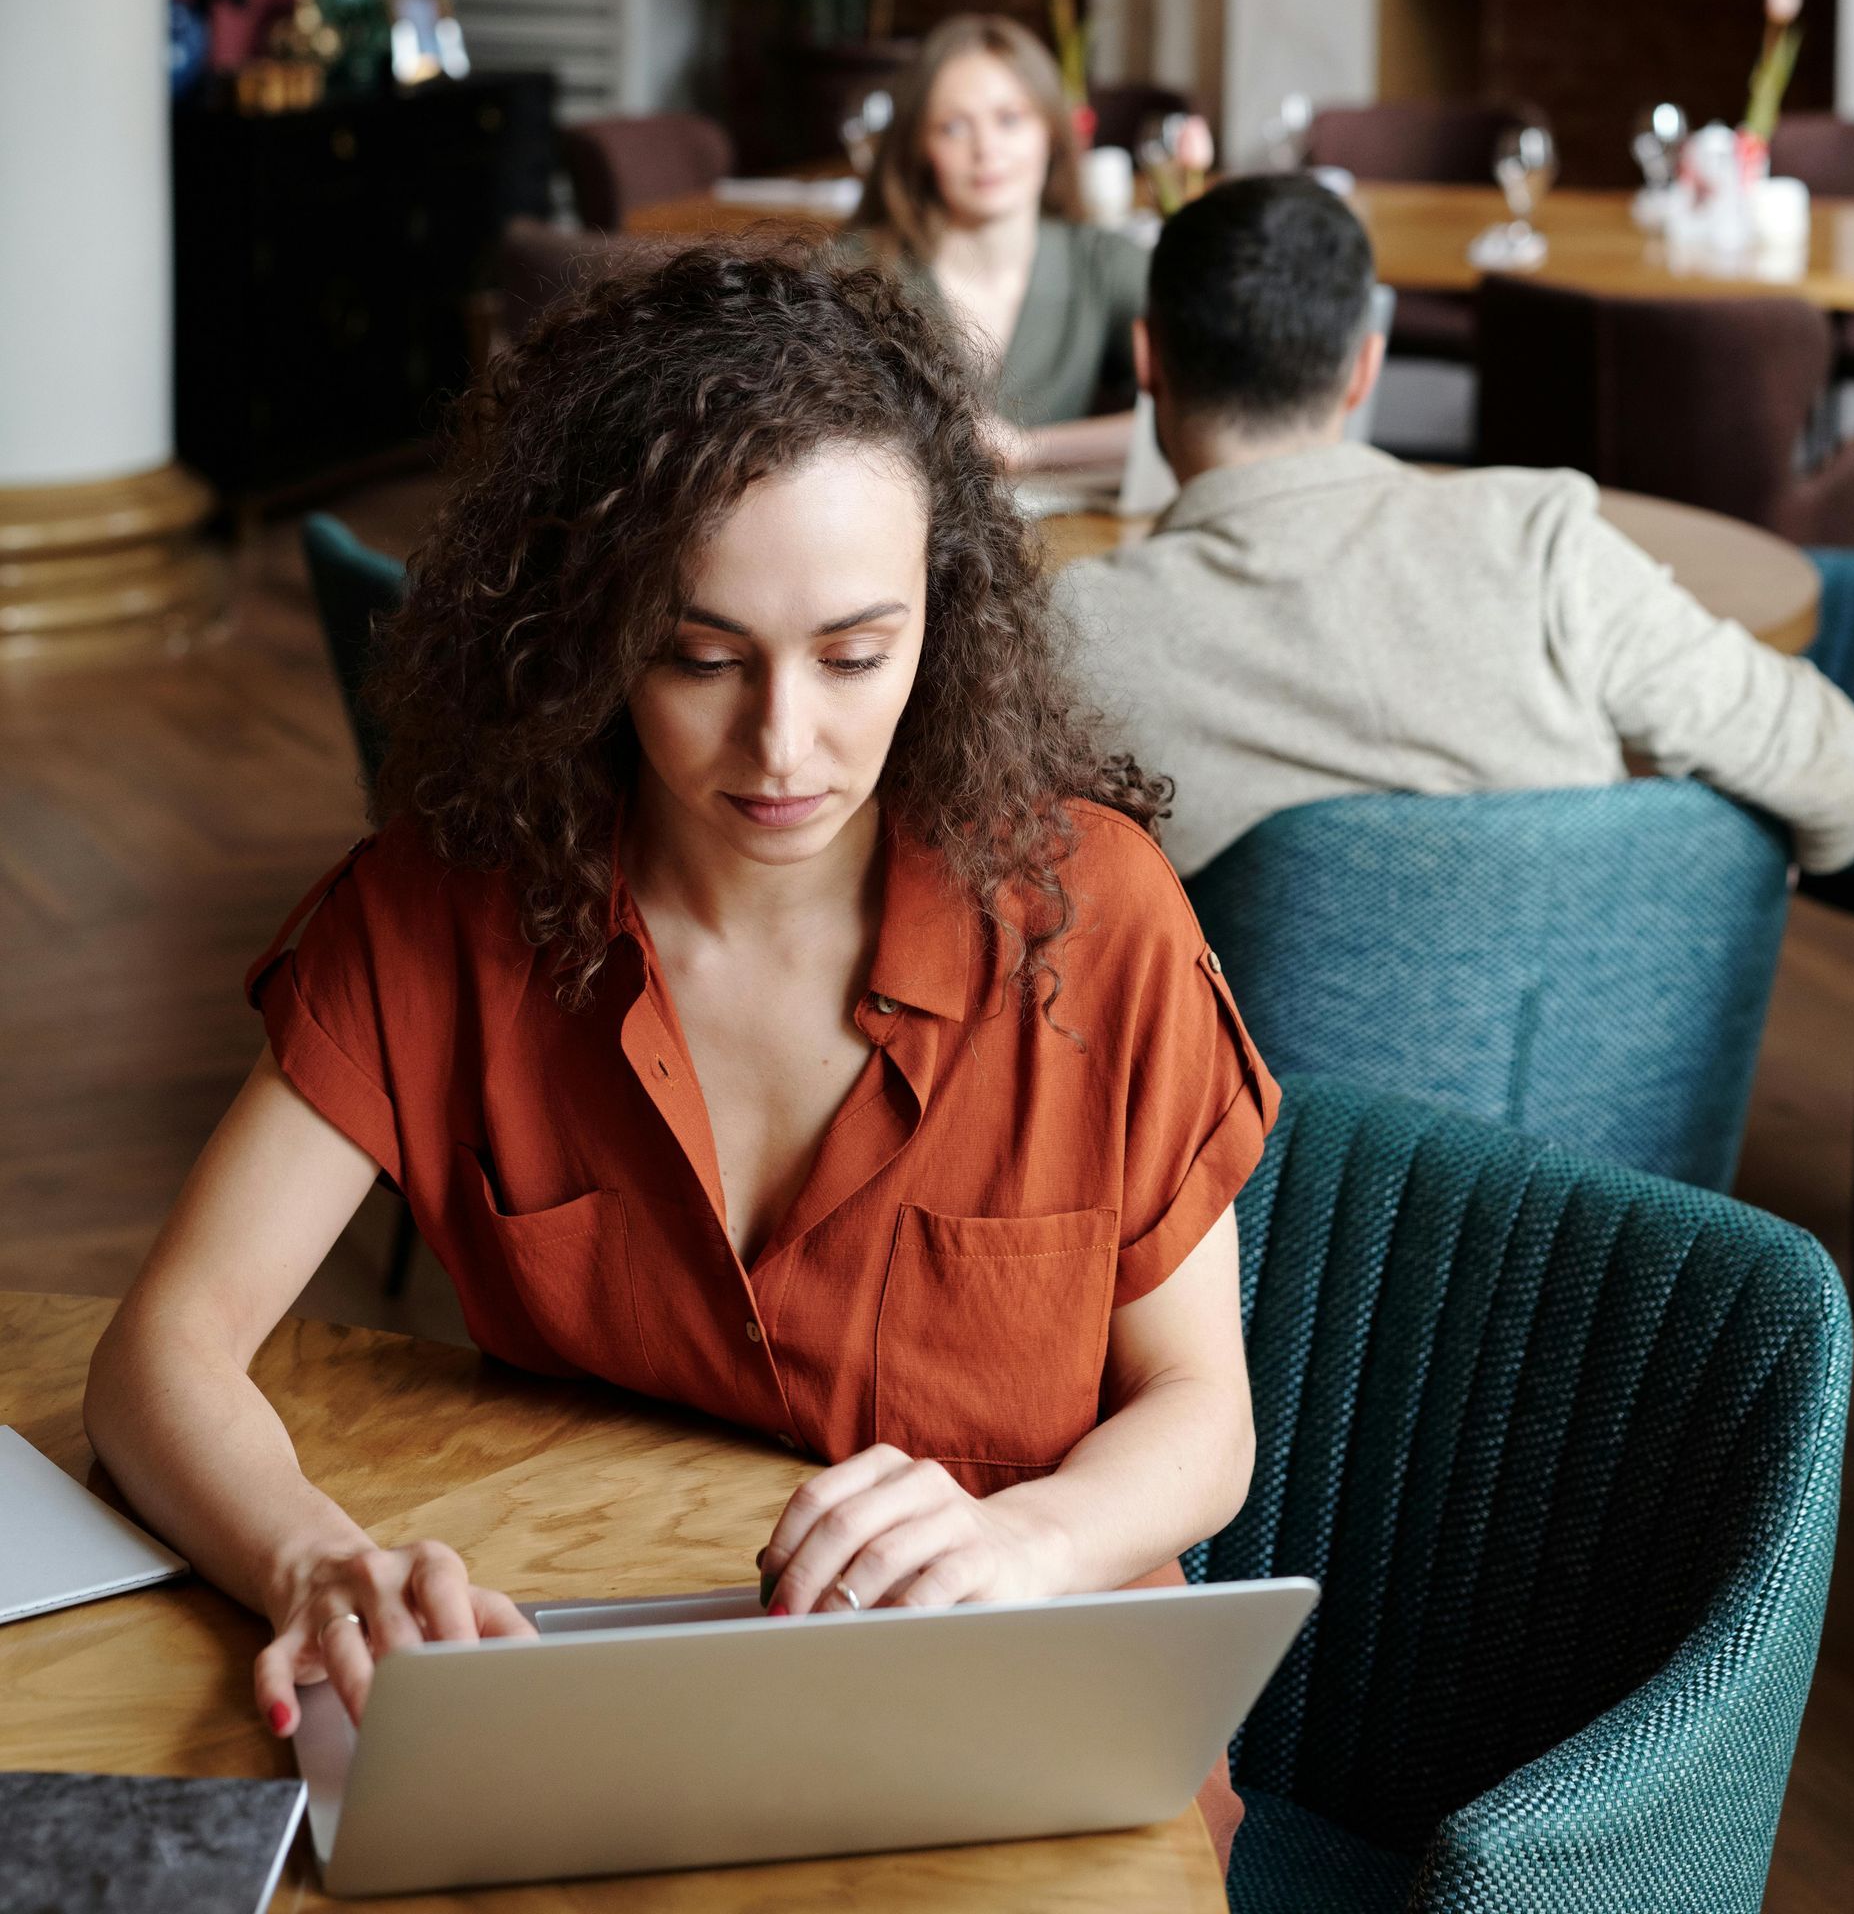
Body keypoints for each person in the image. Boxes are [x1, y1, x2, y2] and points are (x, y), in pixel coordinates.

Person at [84, 247, 1272, 1865]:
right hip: (605, 1708)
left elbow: (1206, 1422)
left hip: (1014, 1695)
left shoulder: (1092, 924)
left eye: (858, 656)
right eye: (698, 658)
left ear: (949, 616)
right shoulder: (445, 913)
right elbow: (165, 1351)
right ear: (586, 631)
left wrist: (1028, 1537)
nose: (785, 746)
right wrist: (310, 1560)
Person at [1053, 173, 1854, 881]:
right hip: (1599, 1069)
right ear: (1364, 368)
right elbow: (1846, 779)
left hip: (1252, 1077)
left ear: (1148, 360)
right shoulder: (1540, 548)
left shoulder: (1077, 634)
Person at [845, 13, 1147, 471]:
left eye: (1009, 119)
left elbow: (1223, 404)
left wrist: (1033, 449)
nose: (986, 149)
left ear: (1051, 130)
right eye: (953, 127)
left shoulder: (1103, 261)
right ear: (920, 146)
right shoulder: (853, 271)